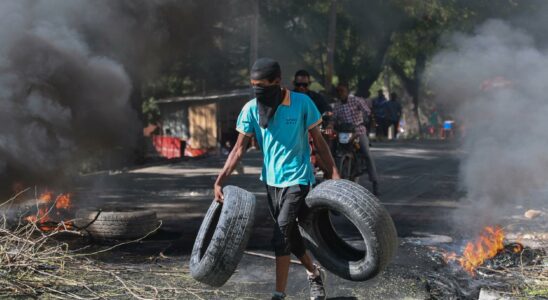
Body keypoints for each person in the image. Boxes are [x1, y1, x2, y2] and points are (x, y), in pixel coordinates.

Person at [214, 58, 340, 300]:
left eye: (262, 85)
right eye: (254, 85)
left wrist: (334, 173)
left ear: (277, 81)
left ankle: (278, 294)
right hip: (271, 180)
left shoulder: (302, 103)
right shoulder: (251, 108)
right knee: (290, 236)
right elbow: (238, 149)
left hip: (298, 177)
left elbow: (320, 143)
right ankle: (314, 274)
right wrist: (220, 180)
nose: (258, 90)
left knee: (279, 235)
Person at [332, 83, 379, 195]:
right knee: (333, 151)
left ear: (347, 91)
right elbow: (333, 119)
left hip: (358, 131)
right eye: (338, 91)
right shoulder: (337, 106)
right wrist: (330, 125)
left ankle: (375, 181)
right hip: (343, 133)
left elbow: (367, 111)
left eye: (342, 91)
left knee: (366, 153)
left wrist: (371, 119)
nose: (340, 93)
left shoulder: (357, 100)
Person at [293, 69, 335, 177]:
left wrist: (329, 124)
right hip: (293, 133)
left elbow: (327, 110)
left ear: (309, 84)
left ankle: (331, 175)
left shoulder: (316, 98)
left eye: (304, 84)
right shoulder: (287, 97)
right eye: (299, 84)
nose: (301, 87)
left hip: (314, 132)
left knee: (320, 148)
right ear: (294, 84)